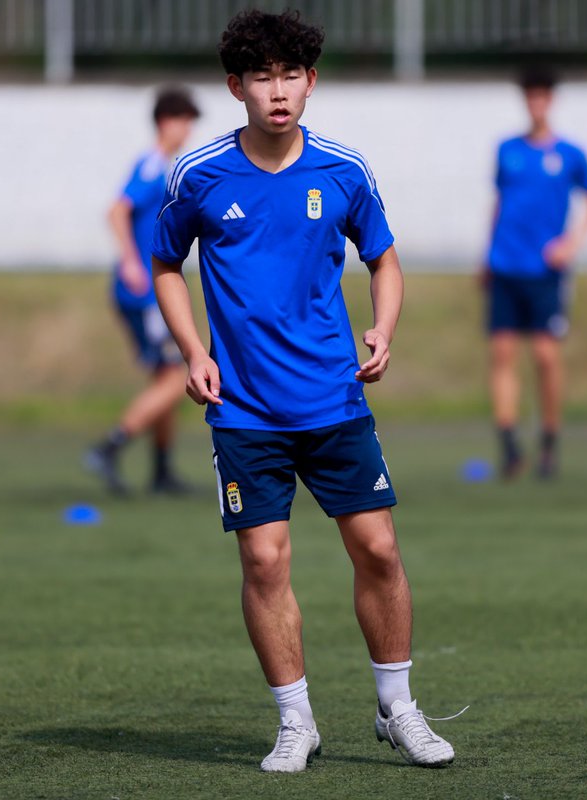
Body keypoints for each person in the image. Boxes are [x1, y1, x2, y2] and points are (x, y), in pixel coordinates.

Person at [150, 8, 456, 774]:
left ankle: (399, 708)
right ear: (236, 87)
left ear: (311, 83)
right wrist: (192, 351)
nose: (277, 91)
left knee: (379, 549)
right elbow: (164, 264)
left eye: (291, 75)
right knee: (264, 563)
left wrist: (384, 329)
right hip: (244, 409)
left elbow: (384, 259)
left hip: (334, 399)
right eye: (262, 76)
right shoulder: (199, 174)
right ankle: (296, 721)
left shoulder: (345, 171)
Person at [84, 87, 201, 495]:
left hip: (147, 291)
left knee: (166, 375)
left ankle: (162, 472)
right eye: (185, 121)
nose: (188, 130)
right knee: (178, 375)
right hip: (144, 293)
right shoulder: (152, 164)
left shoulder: (163, 165)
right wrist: (132, 261)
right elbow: (117, 210)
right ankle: (110, 447)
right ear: (166, 121)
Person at [483, 65, 587, 480]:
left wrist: (572, 244)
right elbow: (499, 204)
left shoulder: (571, 155)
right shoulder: (507, 150)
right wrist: (486, 255)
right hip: (505, 265)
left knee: (547, 356)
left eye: (541, 96)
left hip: (545, 271)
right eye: (529, 96)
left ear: (551, 101)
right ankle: (510, 445)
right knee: (502, 355)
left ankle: (549, 441)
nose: (535, 104)